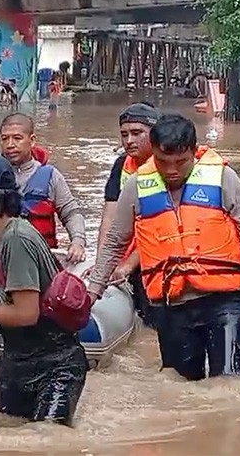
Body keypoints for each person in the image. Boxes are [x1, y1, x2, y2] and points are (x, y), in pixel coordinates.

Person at [88, 114, 240, 380]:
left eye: (181, 162)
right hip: (171, 306)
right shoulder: (136, 186)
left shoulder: (223, 178)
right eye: (163, 162)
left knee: (233, 384)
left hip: (225, 302)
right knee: (180, 385)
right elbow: (115, 242)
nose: (172, 170)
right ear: (153, 153)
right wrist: (92, 294)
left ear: (194, 153)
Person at [0, 154, 88, 426]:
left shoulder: (16, 239)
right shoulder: (6, 236)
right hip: (19, 361)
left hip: (55, 366)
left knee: (45, 442)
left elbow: (27, 313)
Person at [0, 113, 87, 264]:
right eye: (5, 139)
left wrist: (77, 241)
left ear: (32, 141)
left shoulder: (51, 176)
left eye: (17, 138)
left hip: (39, 259)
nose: (10, 144)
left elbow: (71, 213)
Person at [97, 103, 160, 326]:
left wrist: (127, 266)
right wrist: (102, 266)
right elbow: (109, 219)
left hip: (158, 260)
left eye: (137, 133)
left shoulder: (168, 167)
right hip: (128, 253)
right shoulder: (121, 165)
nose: (129, 141)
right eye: (124, 134)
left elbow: (160, 228)